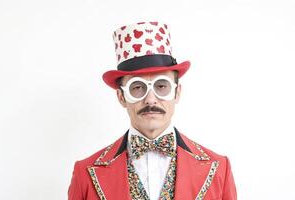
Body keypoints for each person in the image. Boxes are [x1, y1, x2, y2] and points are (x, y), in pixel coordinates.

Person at [68, 21, 237, 200]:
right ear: (121, 97)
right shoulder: (84, 173)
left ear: (177, 93)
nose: (150, 99)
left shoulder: (219, 168)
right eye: (137, 87)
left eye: (161, 86)